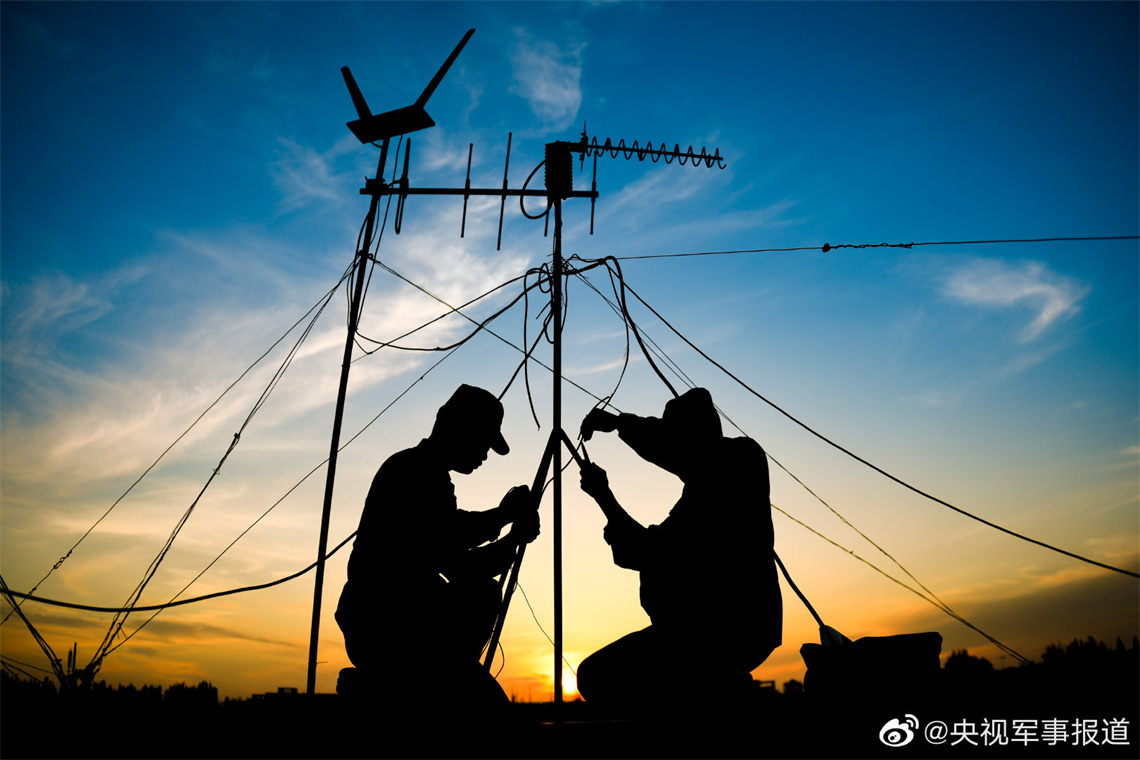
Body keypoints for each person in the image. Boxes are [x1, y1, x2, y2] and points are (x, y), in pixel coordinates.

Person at [335, 384, 539, 718]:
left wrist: (505, 521)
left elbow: (449, 534)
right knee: (483, 594)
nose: (485, 454)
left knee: (481, 594)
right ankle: (421, 683)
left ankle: (429, 679)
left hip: (387, 624)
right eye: (483, 441)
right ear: (459, 429)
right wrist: (511, 535)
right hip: (390, 628)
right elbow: (458, 562)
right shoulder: (415, 472)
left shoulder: (422, 472)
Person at [575, 387, 781, 715]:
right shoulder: (733, 466)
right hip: (727, 629)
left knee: (596, 677)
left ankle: (714, 698)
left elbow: (647, 550)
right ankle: (720, 692)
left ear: (691, 439)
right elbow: (665, 445)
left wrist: (604, 497)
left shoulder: (730, 469)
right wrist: (618, 424)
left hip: (713, 633)